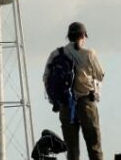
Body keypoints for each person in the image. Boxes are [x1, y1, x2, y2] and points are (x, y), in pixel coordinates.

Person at [44, 22, 104, 160]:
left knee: (72, 150)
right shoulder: (89, 54)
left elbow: (46, 77)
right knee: (94, 147)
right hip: (86, 104)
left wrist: (55, 99)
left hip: (65, 105)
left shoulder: (56, 54)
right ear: (83, 35)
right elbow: (100, 75)